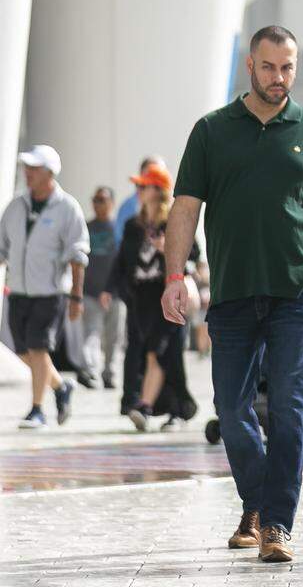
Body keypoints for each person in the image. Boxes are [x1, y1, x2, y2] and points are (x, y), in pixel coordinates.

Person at [161, 25, 303, 563]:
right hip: (233, 296)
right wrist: (176, 276)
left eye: (287, 67)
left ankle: (276, 525)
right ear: (250, 65)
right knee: (232, 407)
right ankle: (257, 503)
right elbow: (184, 208)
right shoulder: (212, 131)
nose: (278, 77)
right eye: (269, 67)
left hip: (296, 298)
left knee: (290, 412)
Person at [0, 145, 88, 429]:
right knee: (22, 351)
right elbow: (2, 247)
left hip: (50, 293)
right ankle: (61, 387)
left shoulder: (67, 208)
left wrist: (76, 296)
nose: (28, 173)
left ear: (50, 172)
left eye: (34, 168)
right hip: (18, 291)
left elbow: (78, 255)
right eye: (27, 168)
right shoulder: (16, 206)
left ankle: (37, 410)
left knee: (38, 348)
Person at [108, 164, 199, 431]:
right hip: (142, 300)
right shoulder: (133, 226)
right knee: (167, 356)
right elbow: (122, 261)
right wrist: (113, 289)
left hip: (168, 295)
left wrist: (167, 249)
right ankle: (178, 409)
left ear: (158, 191)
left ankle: (145, 406)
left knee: (156, 353)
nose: (138, 191)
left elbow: (193, 254)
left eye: (143, 186)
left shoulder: (173, 221)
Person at [82, 186, 125, 389]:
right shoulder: (85, 227)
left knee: (114, 338)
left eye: (102, 199)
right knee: (91, 333)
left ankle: (110, 373)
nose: (98, 203)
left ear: (111, 203)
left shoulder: (120, 228)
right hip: (90, 293)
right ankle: (90, 372)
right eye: (95, 199)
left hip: (116, 295)